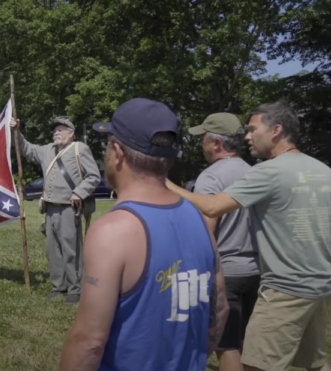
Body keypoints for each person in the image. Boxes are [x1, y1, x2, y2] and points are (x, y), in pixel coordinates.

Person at [59, 98, 228, 371]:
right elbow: (220, 310)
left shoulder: (113, 231)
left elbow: (89, 342)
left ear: (118, 152)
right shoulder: (199, 217)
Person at [166, 100, 331, 371]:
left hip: (284, 289)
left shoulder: (269, 171)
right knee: (314, 363)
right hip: (320, 286)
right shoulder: (323, 170)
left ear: (276, 130)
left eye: (254, 129)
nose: (247, 136)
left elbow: (212, 207)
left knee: (255, 365)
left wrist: (164, 183)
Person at [188, 113, 261, 371]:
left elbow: (205, 232)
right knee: (246, 342)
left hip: (226, 272)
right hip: (257, 271)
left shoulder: (210, 178)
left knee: (226, 344)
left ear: (217, 143)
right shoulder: (256, 172)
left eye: (203, 140)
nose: (200, 145)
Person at [10, 115, 101, 304]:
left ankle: (75, 289)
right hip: (50, 208)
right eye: (55, 130)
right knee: (53, 250)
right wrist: (16, 132)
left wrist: (79, 192)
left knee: (71, 249)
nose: (56, 132)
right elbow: (26, 148)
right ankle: (58, 286)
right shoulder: (47, 150)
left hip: (70, 208)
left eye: (61, 129)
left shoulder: (79, 149)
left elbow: (93, 176)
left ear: (71, 133)